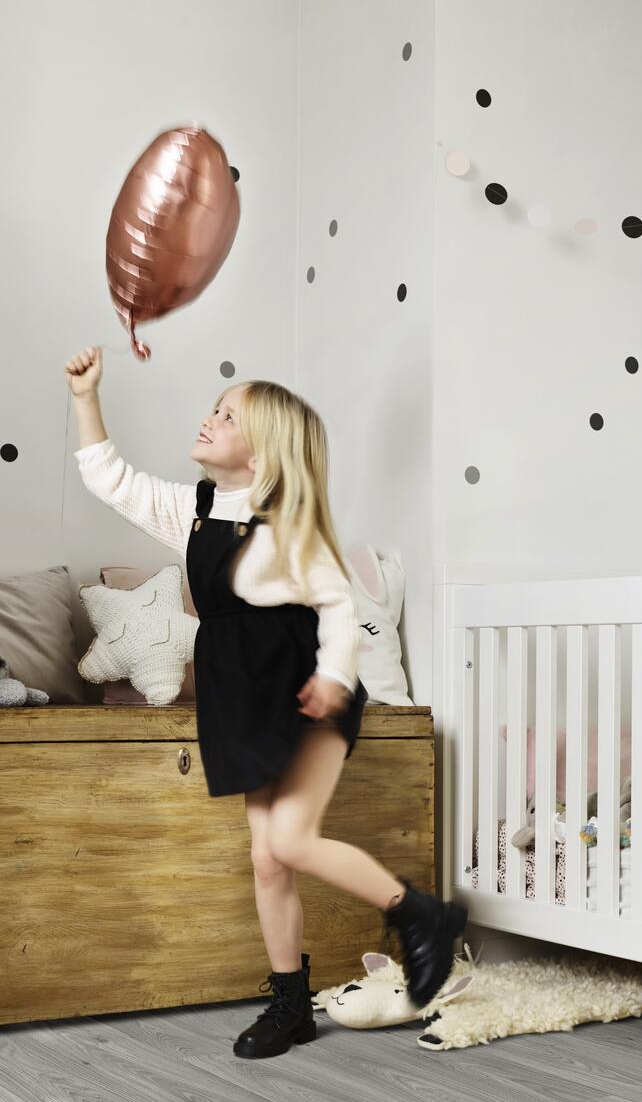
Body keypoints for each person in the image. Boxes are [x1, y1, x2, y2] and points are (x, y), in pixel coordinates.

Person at [64, 346, 465, 1058]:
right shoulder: (193, 510)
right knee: (268, 860)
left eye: (228, 417)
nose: (209, 419)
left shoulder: (289, 527)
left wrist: (335, 677)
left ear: (261, 454)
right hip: (241, 700)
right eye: (214, 409)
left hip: (306, 695)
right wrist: (85, 397)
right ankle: (290, 1004)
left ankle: (421, 916)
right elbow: (109, 479)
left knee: (288, 841)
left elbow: (339, 609)